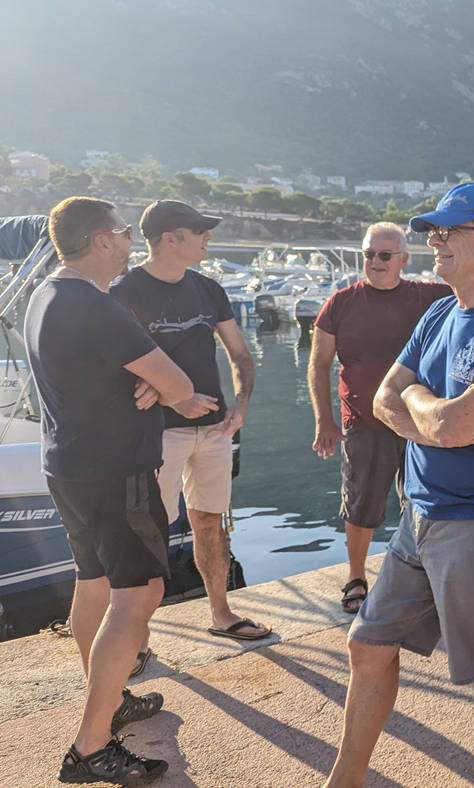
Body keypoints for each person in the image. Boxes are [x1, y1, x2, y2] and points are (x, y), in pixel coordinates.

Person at [326, 184, 474, 788]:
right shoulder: (439, 313)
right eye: (434, 230)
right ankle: (344, 781)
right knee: (368, 646)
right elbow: (384, 401)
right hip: (419, 515)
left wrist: (429, 413)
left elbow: (454, 425)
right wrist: (434, 415)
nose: (435, 240)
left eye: (449, 231)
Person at [27, 197, 216, 783]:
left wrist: (147, 387)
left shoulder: (44, 296)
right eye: (124, 232)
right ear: (101, 240)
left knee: (95, 582)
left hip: (69, 465)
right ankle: (90, 746)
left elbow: (101, 376)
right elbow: (182, 385)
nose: (131, 241)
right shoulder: (97, 306)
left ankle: (105, 699)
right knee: (139, 594)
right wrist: (160, 389)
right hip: (115, 471)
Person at [111, 200, 269, 643]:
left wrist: (241, 403)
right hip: (155, 432)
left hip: (216, 429)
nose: (208, 237)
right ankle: (134, 637)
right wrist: (167, 394)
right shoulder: (124, 291)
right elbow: (112, 364)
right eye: (199, 230)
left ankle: (220, 613)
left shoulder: (208, 289)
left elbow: (239, 354)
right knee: (148, 529)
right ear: (170, 238)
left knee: (208, 521)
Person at [309, 222, 451, 613]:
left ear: (403, 259)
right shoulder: (340, 303)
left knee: (422, 504)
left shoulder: (428, 296)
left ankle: (422, 574)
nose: (375, 261)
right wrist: (324, 420)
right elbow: (319, 364)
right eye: (369, 254)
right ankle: (356, 576)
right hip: (364, 424)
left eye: (384, 255)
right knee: (361, 505)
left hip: (417, 424)